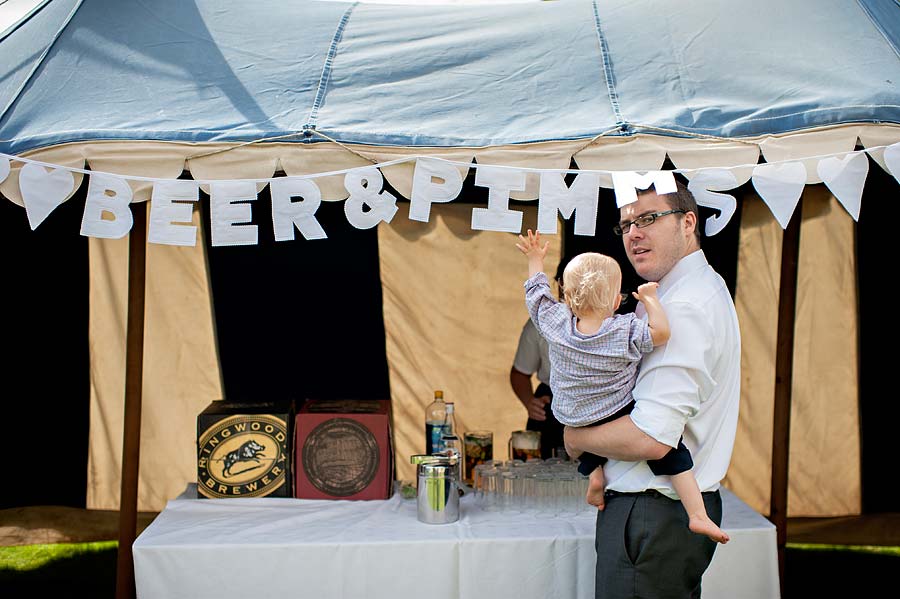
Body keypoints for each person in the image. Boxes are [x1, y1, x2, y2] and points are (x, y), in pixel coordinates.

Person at [564, 181, 742, 599]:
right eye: (626, 224)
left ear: (687, 223)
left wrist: (574, 437)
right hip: (657, 511)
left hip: (651, 512)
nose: (634, 233)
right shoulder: (679, 292)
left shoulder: (683, 305)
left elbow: (651, 436)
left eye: (648, 218)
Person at [516, 231, 727, 545]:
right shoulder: (622, 330)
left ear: (567, 297)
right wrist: (651, 300)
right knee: (671, 451)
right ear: (617, 300)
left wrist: (535, 259)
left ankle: (595, 478)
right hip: (615, 410)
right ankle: (697, 513)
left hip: (573, 414)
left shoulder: (555, 324)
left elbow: (536, 297)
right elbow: (661, 333)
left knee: (592, 443)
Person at [509, 259, 567, 459]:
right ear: (558, 284)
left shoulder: (609, 322)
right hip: (550, 405)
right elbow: (519, 373)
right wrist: (529, 401)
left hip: (593, 407)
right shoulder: (540, 322)